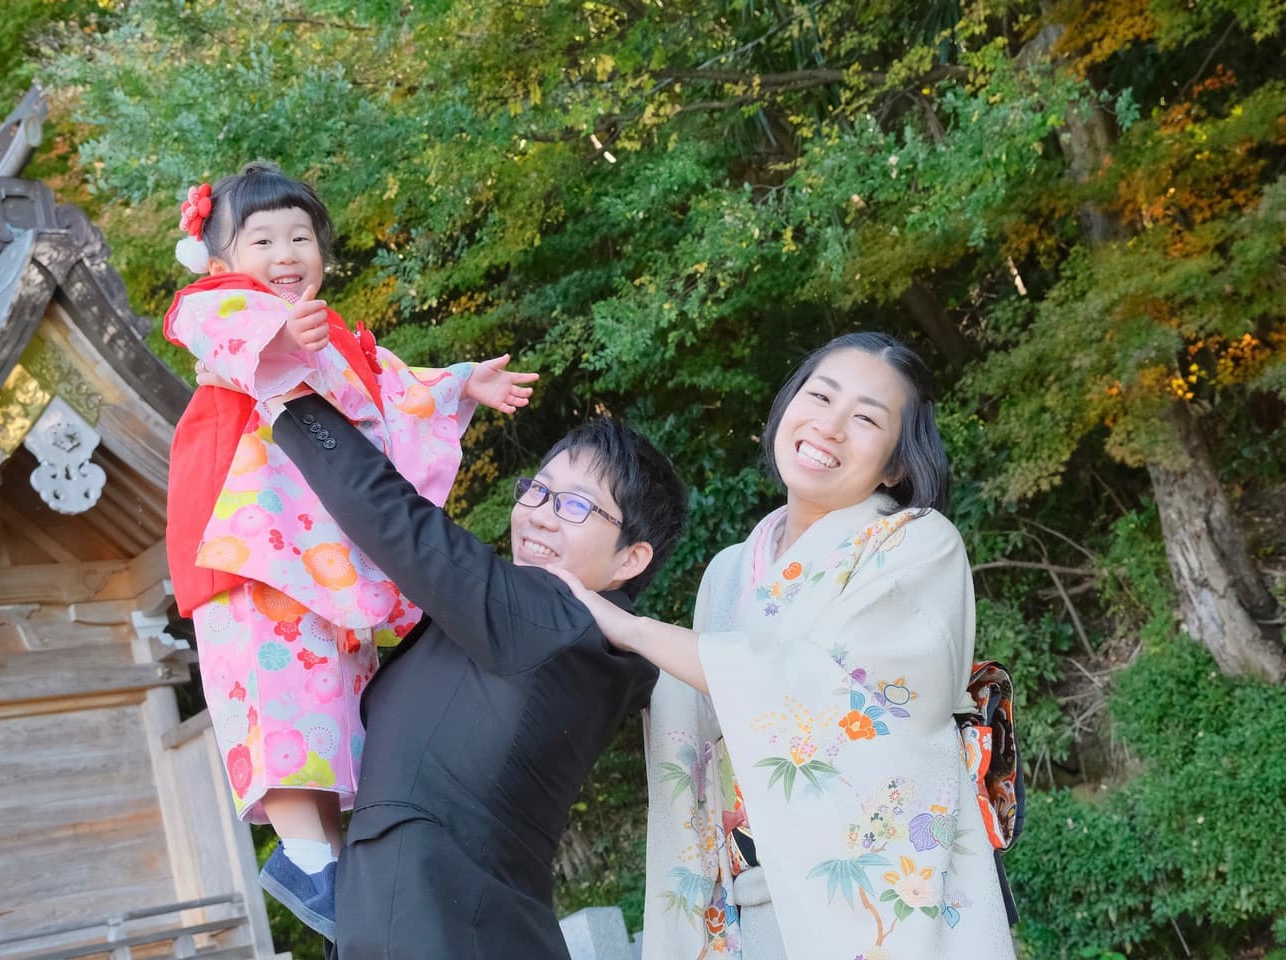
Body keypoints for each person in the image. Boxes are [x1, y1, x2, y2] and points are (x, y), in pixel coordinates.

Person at [553, 332, 1017, 959]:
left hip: (873, 908)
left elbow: (849, 696)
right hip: (744, 909)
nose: (829, 426)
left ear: (897, 464)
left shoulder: (914, 544)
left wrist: (633, 629)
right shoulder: (728, 572)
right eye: (819, 396)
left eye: (865, 418)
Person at [162, 161, 536, 939]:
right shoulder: (216, 304)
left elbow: (393, 391)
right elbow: (217, 335)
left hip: (316, 554)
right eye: (262, 237)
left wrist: (464, 384)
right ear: (223, 260)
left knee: (332, 699)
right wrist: (274, 332)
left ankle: (327, 855)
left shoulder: (331, 334)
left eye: (301, 234)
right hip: (250, 542)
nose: (287, 250)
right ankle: (305, 854)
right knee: (282, 698)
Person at [262, 392, 689, 959]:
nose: (538, 511)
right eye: (538, 490)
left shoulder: (552, 617)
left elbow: (398, 523)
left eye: (576, 506)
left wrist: (284, 398)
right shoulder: (580, 649)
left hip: (430, 927)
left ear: (629, 560)